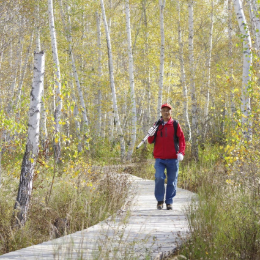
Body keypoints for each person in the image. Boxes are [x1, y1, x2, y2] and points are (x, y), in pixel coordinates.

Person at [148, 103, 185, 210]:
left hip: (173, 158)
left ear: (170, 112)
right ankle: (160, 200)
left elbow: (182, 139)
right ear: (161, 112)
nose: (166, 112)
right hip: (159, 158)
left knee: (172, 181)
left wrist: (181, 152)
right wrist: (150, 134)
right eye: (164, 110)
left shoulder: (175, 124)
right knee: (159, 177)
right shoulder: (157, 125)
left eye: (168, 110)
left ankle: (169, 202)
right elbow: (150, 141)